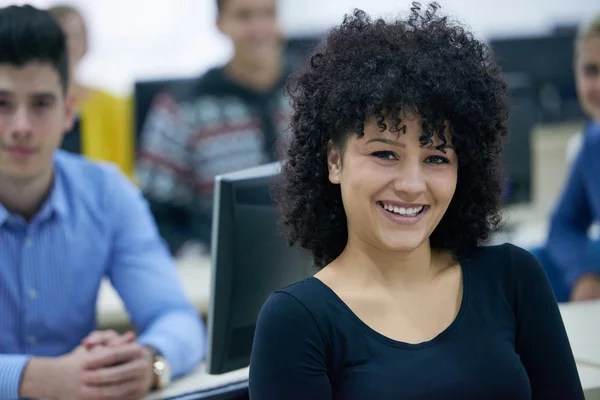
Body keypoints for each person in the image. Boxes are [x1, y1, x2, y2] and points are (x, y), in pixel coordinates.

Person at [249, 4, 584, 399]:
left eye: (437, 158)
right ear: (334, 161)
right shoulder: (297, 321)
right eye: (385, 154)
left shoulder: (513, 278)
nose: (412, 184)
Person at [0, 5, 204, 399]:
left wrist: (148, 361)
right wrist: (31, 377)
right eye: (1, 104)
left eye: (41, 104)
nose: (21, 127)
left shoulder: (106, 193)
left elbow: (177, 317)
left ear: (68, 112)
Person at [136, 0, 290, 255]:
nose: (259, 28)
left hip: (312, 259)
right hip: (217, 258)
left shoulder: (312, 93)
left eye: (268, 14)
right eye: (244, 16)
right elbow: (156, 212)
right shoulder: (182, 108)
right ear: (220, 24)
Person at [532, 13, 600, 302]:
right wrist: (584, 273)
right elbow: (563, 224)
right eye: (591, 70)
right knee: (524, 264)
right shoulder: (593, 143)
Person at [48, 4, 135, 179]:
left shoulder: (114, 105)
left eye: (77, 36)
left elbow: (125, 174)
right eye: (62, 37)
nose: (70, 45)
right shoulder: (27, 104)